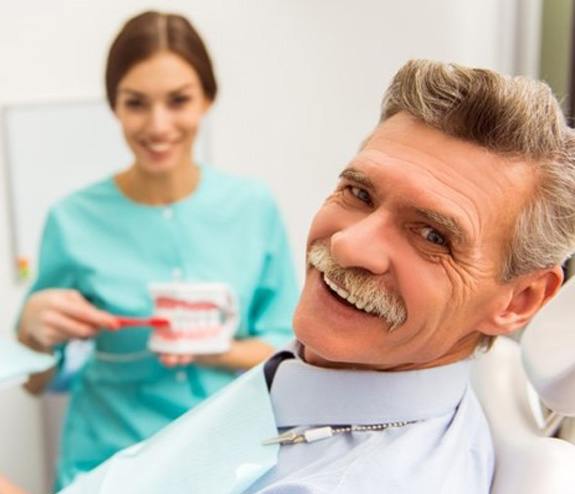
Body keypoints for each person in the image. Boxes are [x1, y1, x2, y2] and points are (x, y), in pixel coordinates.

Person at [59, 59, 575, 494]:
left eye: (433, 237)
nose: (350, 244)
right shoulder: (327, 371)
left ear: (521, 299)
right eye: (359, 193)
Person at [16, 10, 298, 491]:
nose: (158, 124)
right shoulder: (72, 219)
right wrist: (31, 335)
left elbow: (289, 352)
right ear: (114, 106)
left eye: (178, 100)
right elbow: (37, 382)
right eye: (136, 103)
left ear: (208, 98)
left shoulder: (252, 206)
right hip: (108, 465)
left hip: (230, 464)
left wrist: (213, 348)